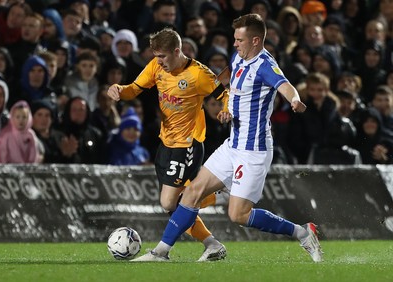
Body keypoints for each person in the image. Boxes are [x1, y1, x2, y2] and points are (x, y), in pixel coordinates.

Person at [131, 14, 323, 263]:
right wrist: (227, 109)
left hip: (253, 150)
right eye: (234, 39)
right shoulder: (239, 57)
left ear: (255, 40)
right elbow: (233, 88)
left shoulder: (265, 65)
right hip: (232, 144)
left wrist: (294, 99)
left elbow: (285, 84)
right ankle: (161, 252)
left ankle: (302, 232)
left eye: (239, 40)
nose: (234, 44)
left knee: (238, 215)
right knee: (192, 193)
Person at [107, 28, 228, 262]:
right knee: (174, 206)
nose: (158, 61)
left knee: (169, 202)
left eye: (162, 56)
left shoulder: (198, 74)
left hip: (188, 144)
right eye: (156, 56)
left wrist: (225, 110)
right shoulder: (156, 67)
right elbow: (134, 89)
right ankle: (212, 243)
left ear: (176, 51)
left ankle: (216, 194)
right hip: (166, 143)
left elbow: (224, 94)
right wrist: (120, 90)